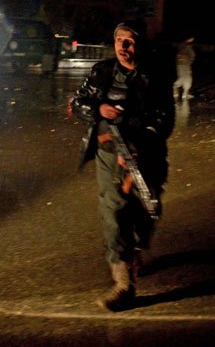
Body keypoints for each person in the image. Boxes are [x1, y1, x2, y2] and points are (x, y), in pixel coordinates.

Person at [71, 20, 175, 311]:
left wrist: (140, 143)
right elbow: (79, 102)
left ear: (140, 44)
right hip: (107, 152)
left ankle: (136, 250)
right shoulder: (101, 72)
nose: (123, 47)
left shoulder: (156, 76)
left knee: (147, 208)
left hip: (147, 154)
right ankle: (124, 283)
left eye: (130, 41)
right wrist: (97, 109)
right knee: (114, 210)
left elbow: (165, 120)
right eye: (119, 40)